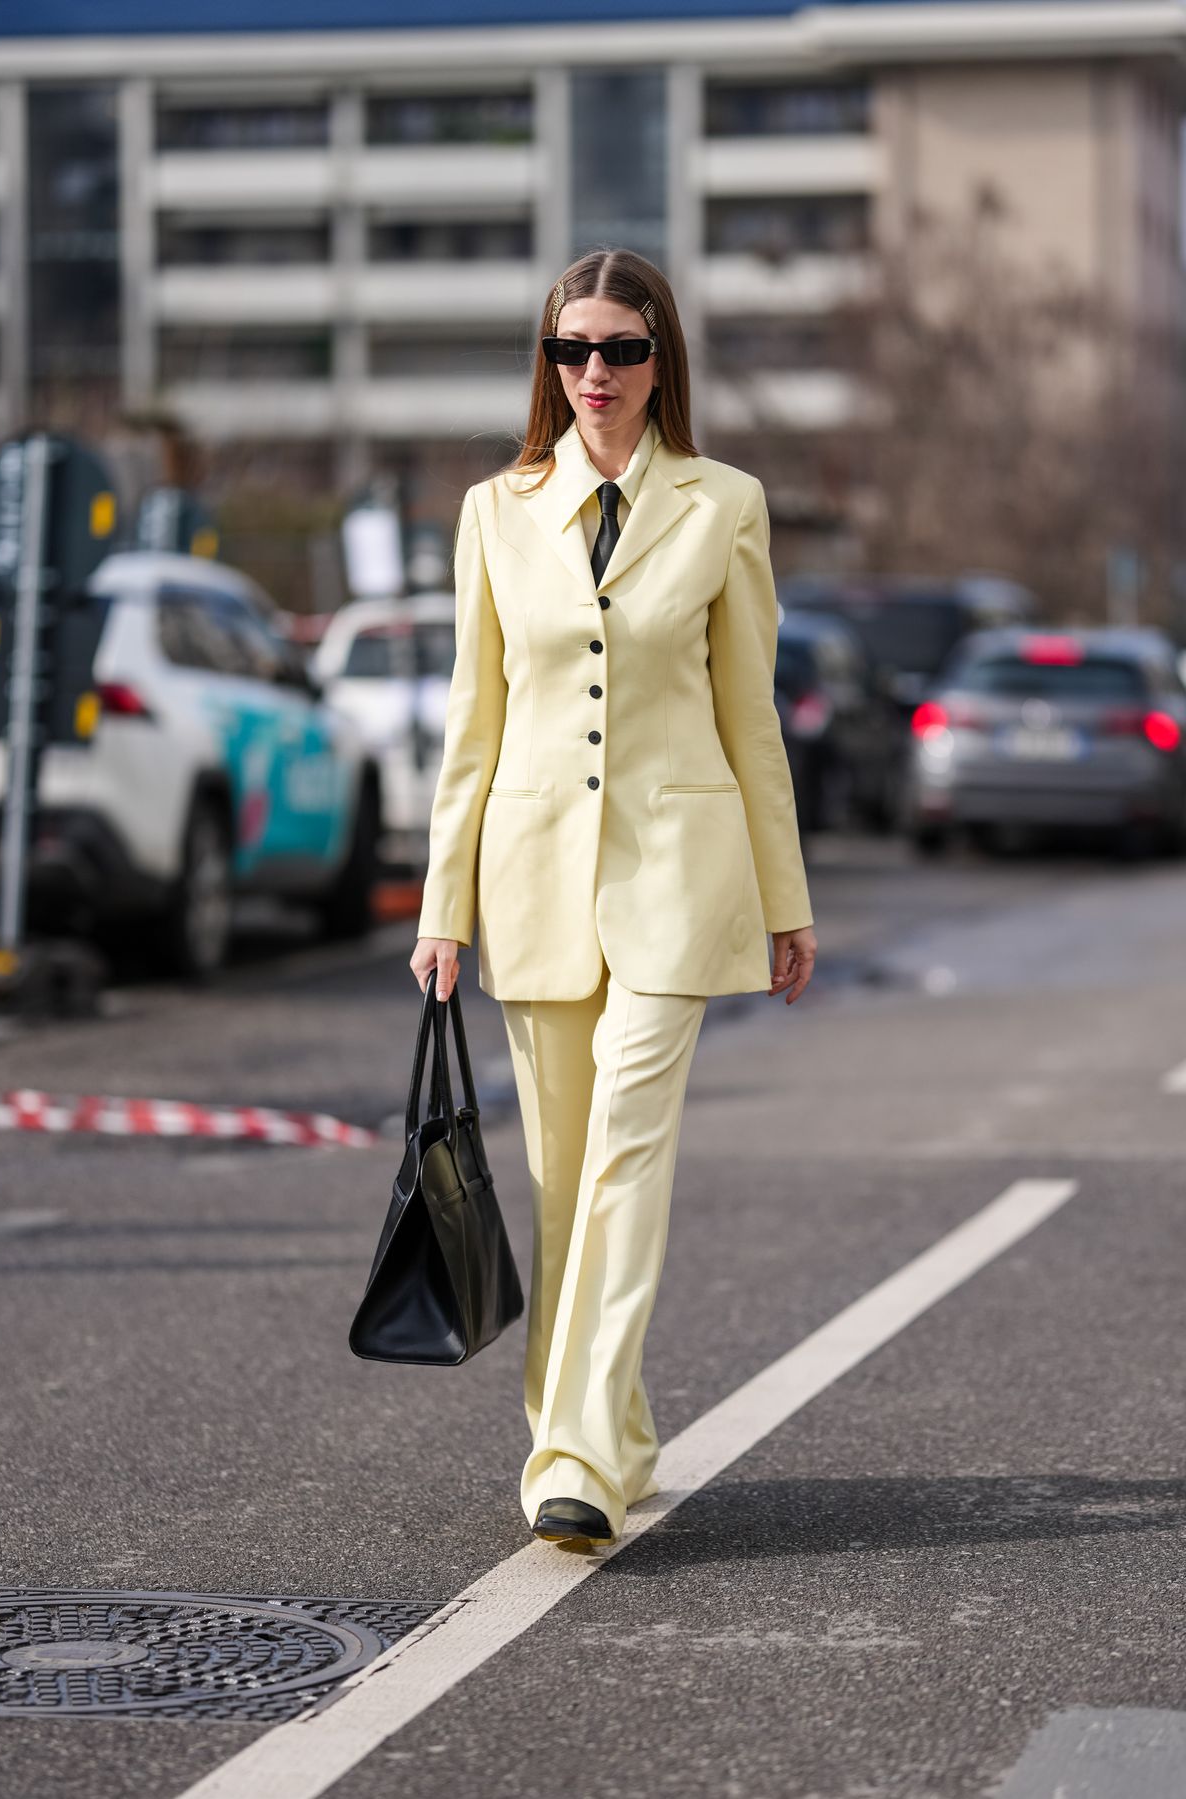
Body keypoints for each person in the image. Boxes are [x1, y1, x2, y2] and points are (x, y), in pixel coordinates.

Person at [411, 246, 817, 1551]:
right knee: (557, 1179)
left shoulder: (724, 505)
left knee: (629, 1151)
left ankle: (572, 1453)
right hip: (531, 880)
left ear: (661, 362)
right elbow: (473, 726)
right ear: (549, 365)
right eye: (573, 351)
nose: (597, 373)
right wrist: (442, 908)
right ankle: (614, 1433)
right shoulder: (494, 512)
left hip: (679, 875)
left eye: (623, 350)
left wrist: (785, 894)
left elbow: (748, 711)